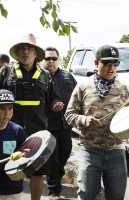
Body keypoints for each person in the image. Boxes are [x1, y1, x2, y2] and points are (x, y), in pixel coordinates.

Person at [0, 33, 63, 200]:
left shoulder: (45, 75)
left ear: (35, 53)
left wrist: (55, 104)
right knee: (9, 166)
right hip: (10, 131)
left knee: (38, 171)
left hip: (37, 132)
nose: (25, 52)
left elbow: (53, 97)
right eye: (22, 49)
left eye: (29, 49)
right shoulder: (6, 72)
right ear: (18, 53)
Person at [64, 44, 129, 200]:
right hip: (90, 150)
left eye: (115, 64)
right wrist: (84, 119)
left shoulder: (125, 89)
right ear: (96, 63)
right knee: (87, 194)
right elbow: (69, 114)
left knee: (116, 196)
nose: (112, 68)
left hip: (116, 151)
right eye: (107, 63)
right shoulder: (83, 87)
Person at [42, 47, 77, 200]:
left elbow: (78, 95)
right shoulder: (39, 77)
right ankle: (53, 191)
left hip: (66, 124)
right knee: (52, 158)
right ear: (42, 60)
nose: (51, 61)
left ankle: (57, 177)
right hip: (48, 125)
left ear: (58, 60)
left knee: (65, 154)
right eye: (48, 58)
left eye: (54, 58)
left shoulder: (67, 76)